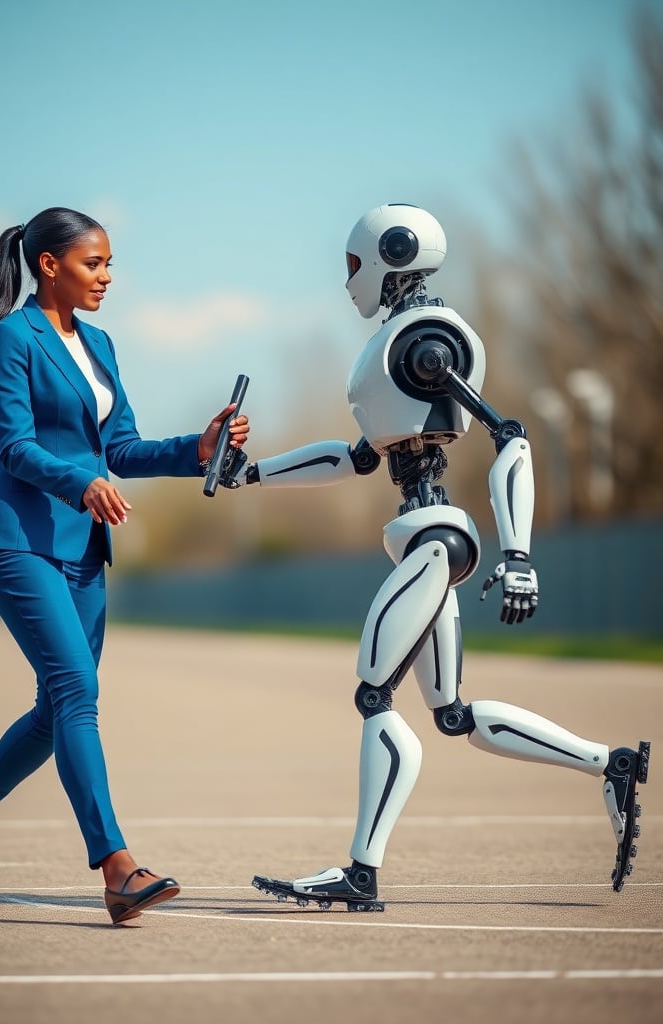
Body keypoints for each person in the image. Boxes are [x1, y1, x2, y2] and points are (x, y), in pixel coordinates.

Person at [226, 203, 650, 910]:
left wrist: (519, 552)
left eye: (354, 266)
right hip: (427, 539)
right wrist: (254, 473)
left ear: (393, 253)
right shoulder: (402, 345)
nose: (348, 282)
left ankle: (361, 872)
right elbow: (357, 457)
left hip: (434, 541)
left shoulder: (427, 341)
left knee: (373, 694)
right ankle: (612, 765)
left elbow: (509, 435)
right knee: (450, 713)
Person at [0, 206, 249, 925]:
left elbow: (122, 449)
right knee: (76, 690)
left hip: (83, 552)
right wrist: (80, 481)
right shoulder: (11, 338)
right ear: (49, 266)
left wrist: (196, 448)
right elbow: (14, 446)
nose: (106, 276)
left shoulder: (100, 344)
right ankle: (117, 867)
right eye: (92, 263)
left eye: (108, 264)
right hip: (17, 541)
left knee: (56, 707)